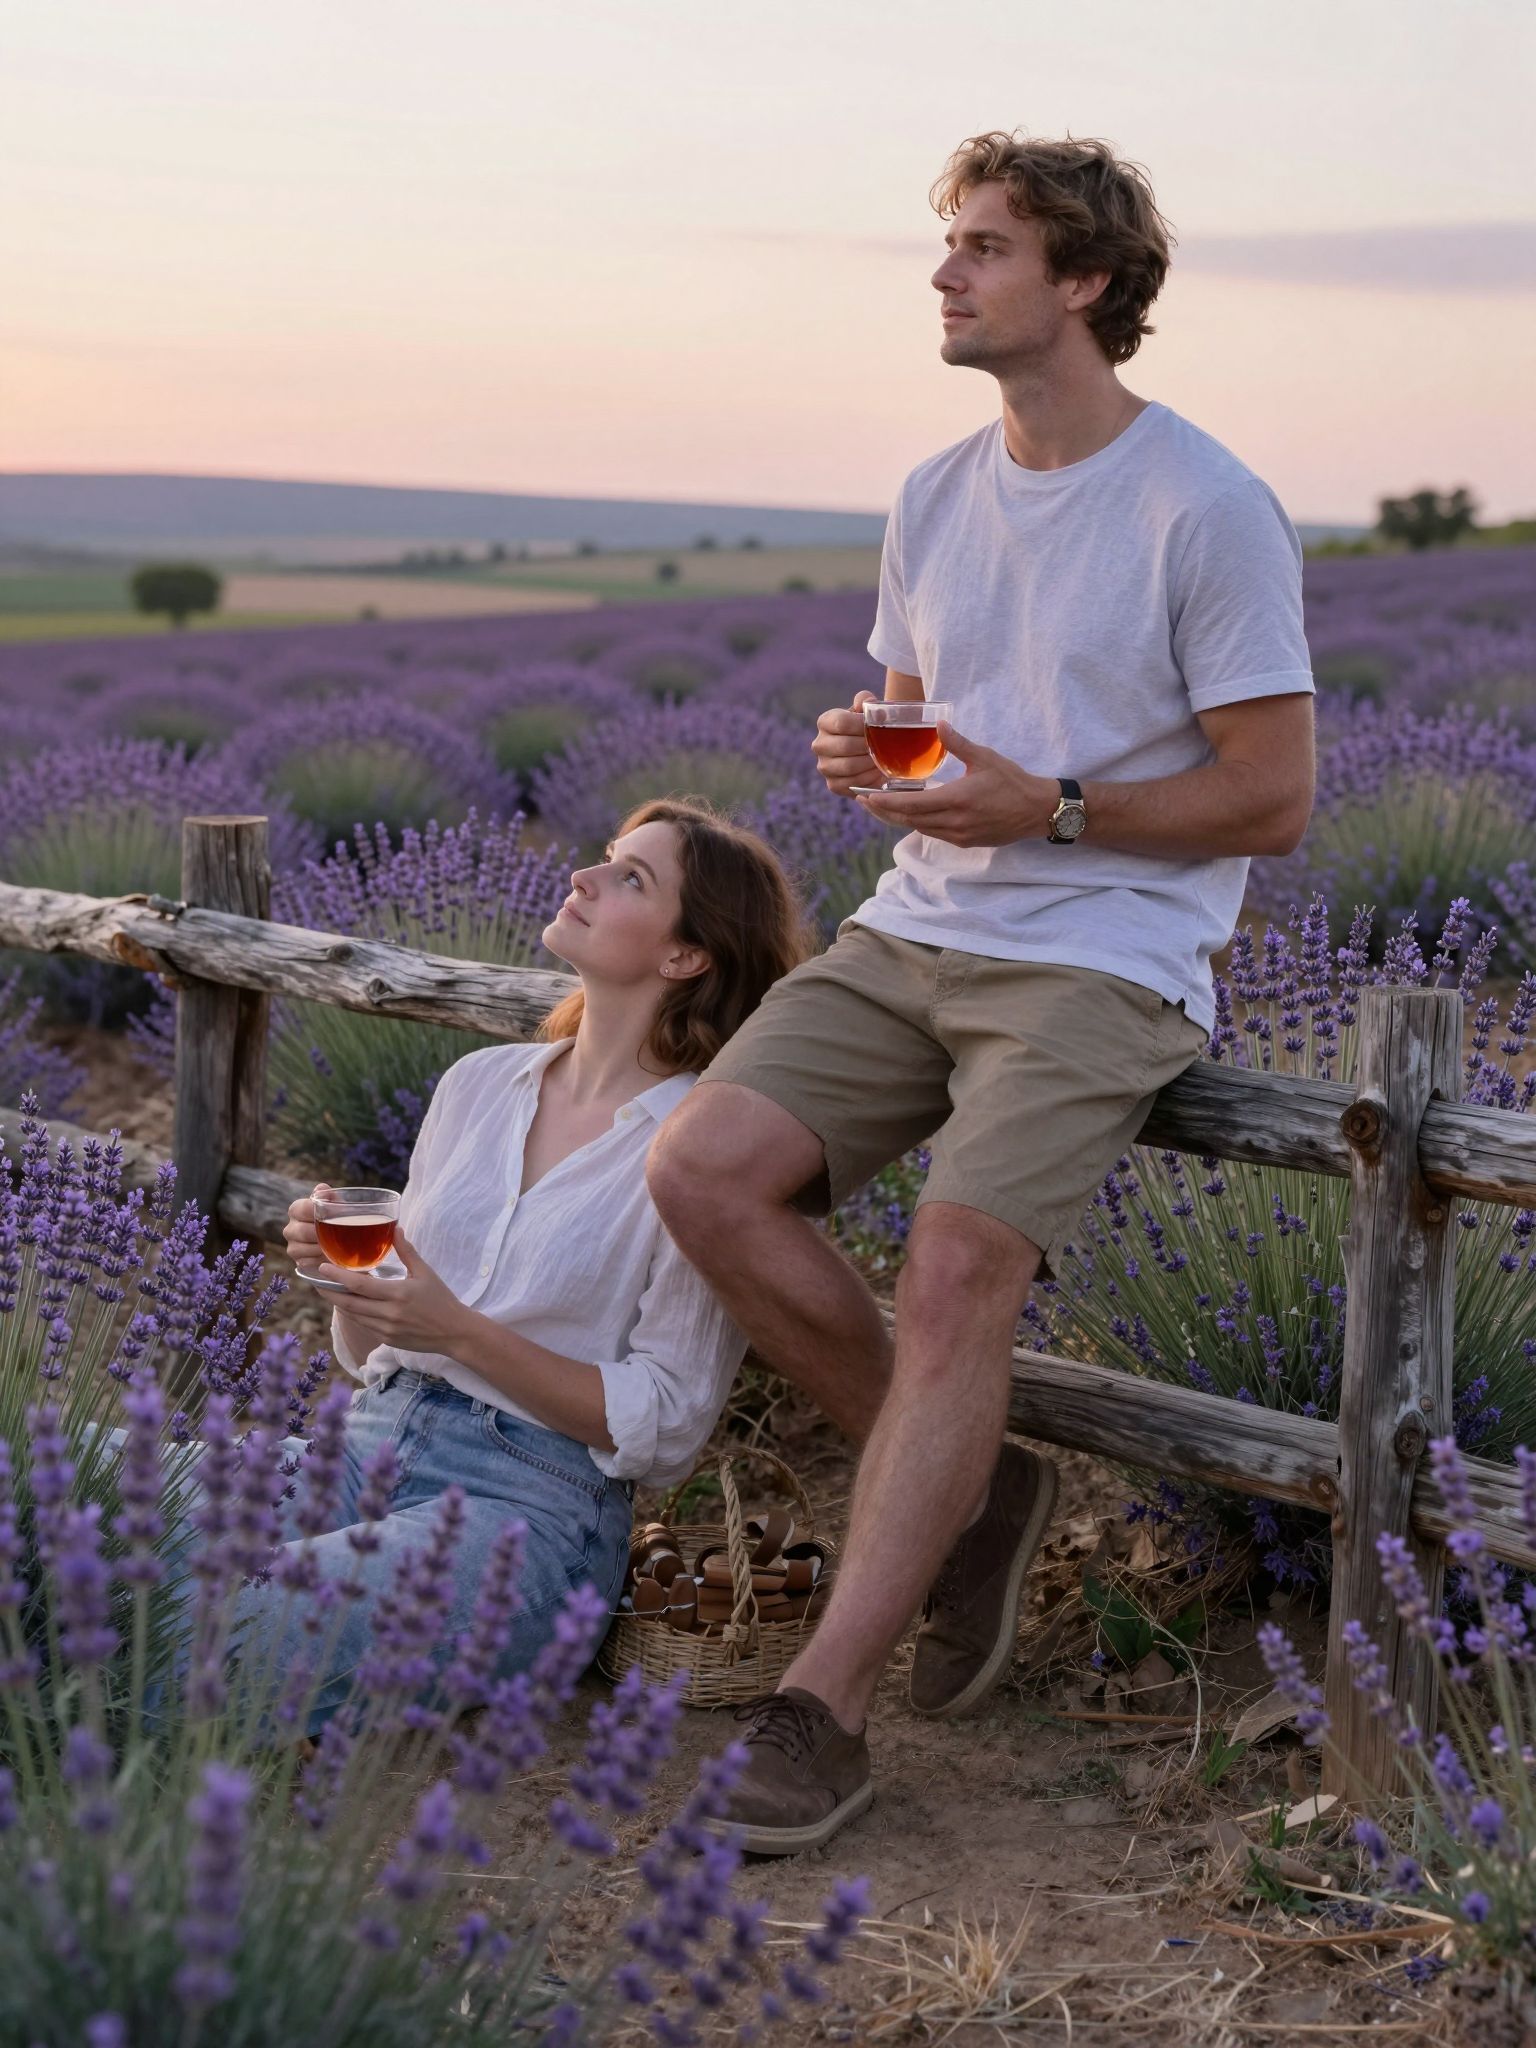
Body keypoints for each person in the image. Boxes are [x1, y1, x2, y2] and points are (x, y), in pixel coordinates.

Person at [647, 129, 1318, 1854]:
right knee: (700, 1171)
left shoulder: (1205, 505)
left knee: (956, 1262)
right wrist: (867, 764)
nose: (946, 274)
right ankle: (978, 1482)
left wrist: (1058, 804)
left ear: (1085, 283)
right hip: (920, 918)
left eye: (986, 247)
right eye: (948, 245)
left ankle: (823, 1707)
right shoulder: (935, 492)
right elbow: (913, 715)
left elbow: (1274, 795)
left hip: (1101, 945)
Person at [260, 798, 810, 1731]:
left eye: (630, 878)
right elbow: (374, 1352)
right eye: (603, 856)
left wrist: (460, 1331)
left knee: (242, 1630)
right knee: (75, 1515)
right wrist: (351, 1285)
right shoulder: (476, 1086)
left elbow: (669, 1419)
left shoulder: (705, 1151)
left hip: (528, 1503)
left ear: (685, 957)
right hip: (364, 1442)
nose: (583, 878)